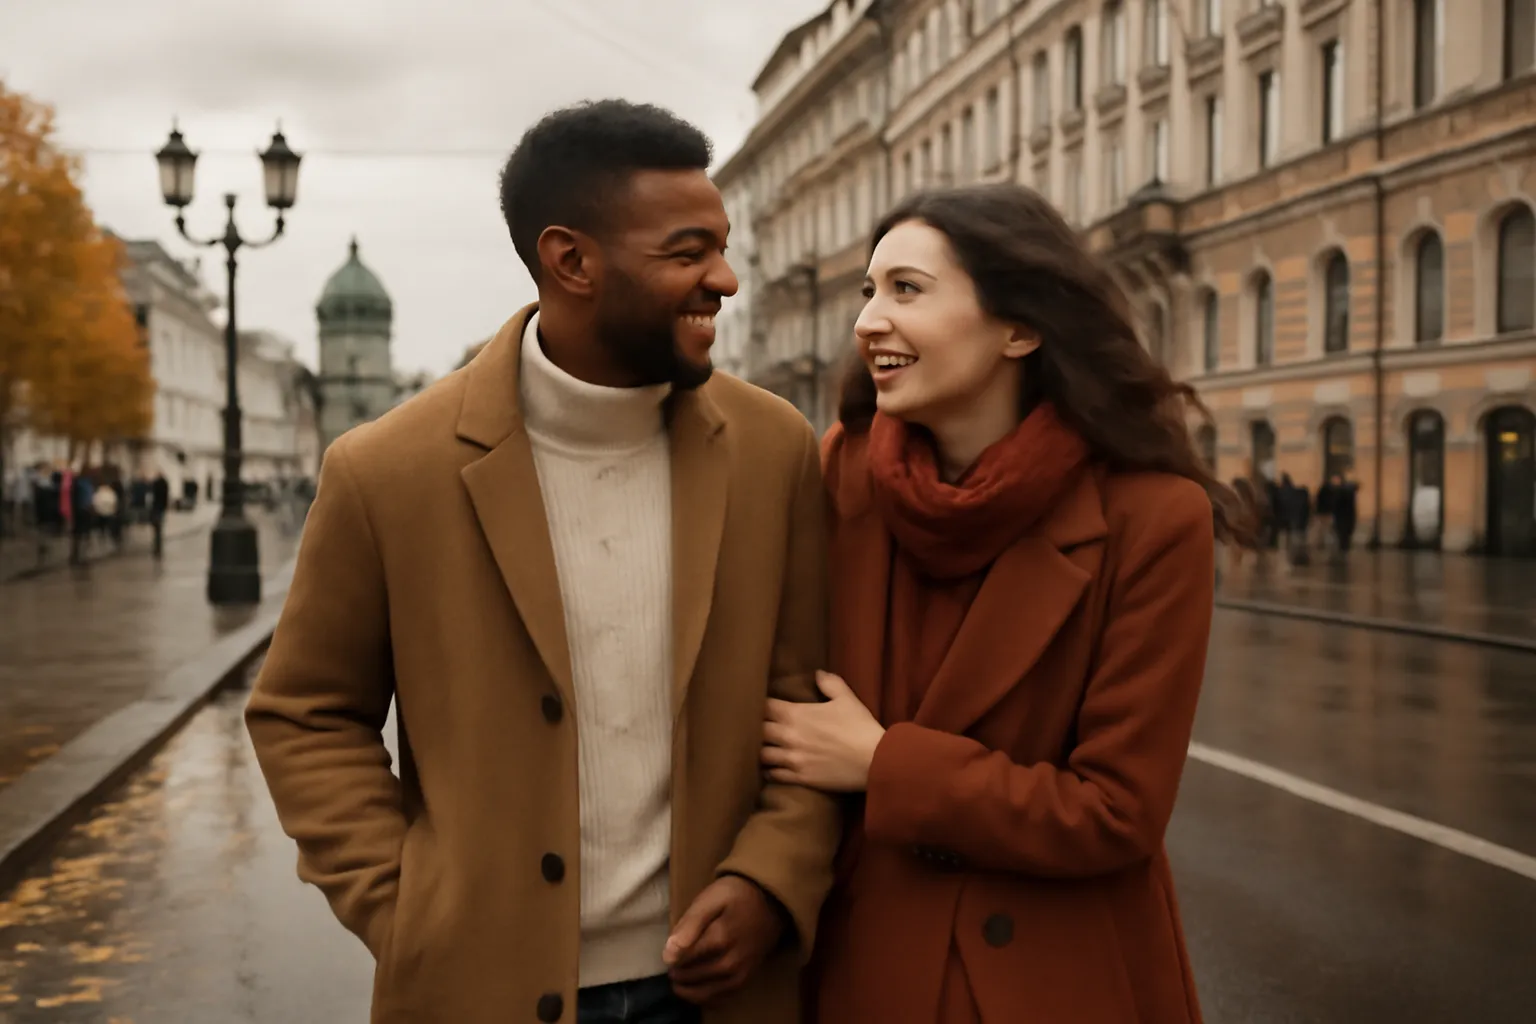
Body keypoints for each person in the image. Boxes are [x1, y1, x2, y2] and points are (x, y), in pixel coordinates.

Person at [246, 100, 840, 1024]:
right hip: (473, 990)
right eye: (688, 252)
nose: (724, 279)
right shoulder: (385, 471)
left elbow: (806, 704)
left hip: (722, 990)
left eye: (722, 248)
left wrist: (774, 878)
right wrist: (409, 908)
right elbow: (305, 714)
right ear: (572, 261)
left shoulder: (774, 450)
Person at [759, 185, 1253, 1024]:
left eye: (906, 290)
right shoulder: (839, 475)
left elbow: (1115, 812)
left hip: (1050, 980)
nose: (868, 320)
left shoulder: (1154, 516)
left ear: (1019, 328)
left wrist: (887, 765)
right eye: (868, 292)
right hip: (860, 968)